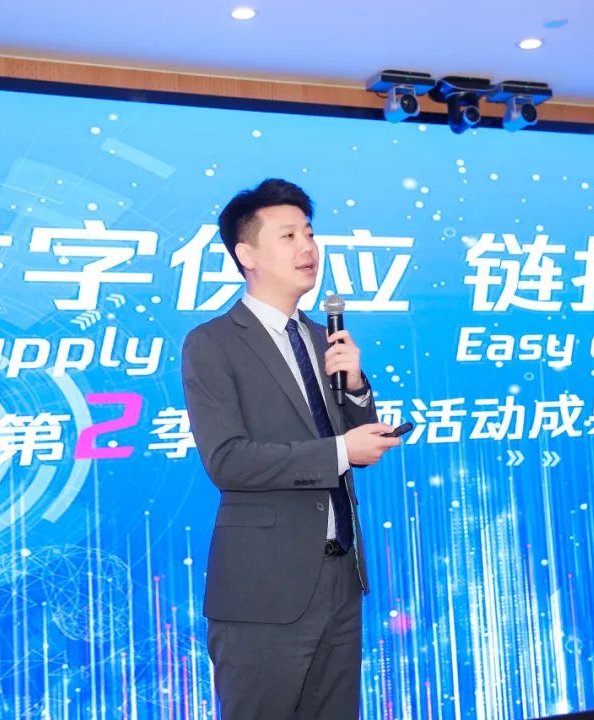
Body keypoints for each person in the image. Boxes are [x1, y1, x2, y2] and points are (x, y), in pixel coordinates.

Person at [181, 178, 401, 719]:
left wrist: (356, 387)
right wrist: (340, 451)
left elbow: (355, 440)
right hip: (264, 591)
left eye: (309, 233)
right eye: (288, 236)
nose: (308, 247)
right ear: (247, 254)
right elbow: (228, 460)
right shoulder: (212, 343)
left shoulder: (322, 337)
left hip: (340, 579)